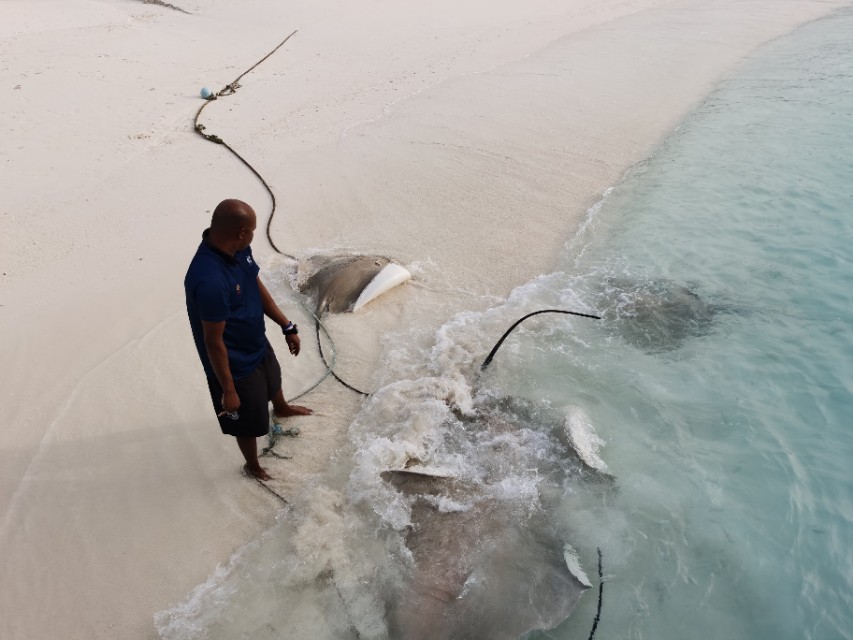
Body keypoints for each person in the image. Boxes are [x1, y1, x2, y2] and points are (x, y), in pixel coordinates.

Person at [184, 198, 311, 480]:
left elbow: (254, 282)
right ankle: (252, 466)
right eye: (252, 230)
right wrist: (227, 389)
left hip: (256, 340)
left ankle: (281, 407)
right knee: (248, 422)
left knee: (272, 378)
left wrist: (286, 325)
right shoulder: (209, 280)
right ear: (241, 232)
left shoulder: (238, 249)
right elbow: (213, 342)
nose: (254, 235)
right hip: (233, 363)